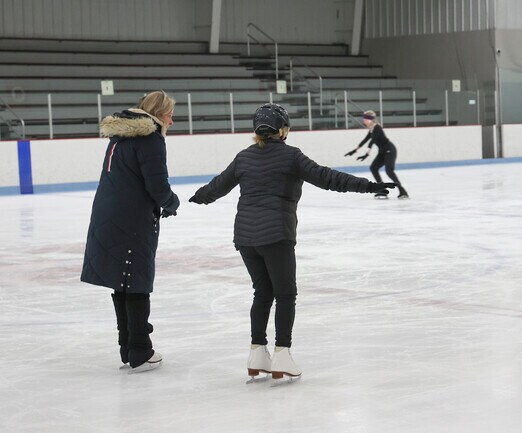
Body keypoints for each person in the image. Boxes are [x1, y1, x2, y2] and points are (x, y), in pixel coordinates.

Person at [188, 103, 395, 383]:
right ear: (283, 129)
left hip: (246, 238)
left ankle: (257, 353)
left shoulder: (243, 157)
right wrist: (367, 185)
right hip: (276, 235)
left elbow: (217, 187)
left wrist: (196, 197)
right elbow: (327, 178)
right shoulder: (291, 157)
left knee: (262, 292)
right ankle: (282, 355)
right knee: (285, 294)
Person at [81, 90, 179, 373]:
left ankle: (127, 347)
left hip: (107, 215)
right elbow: (157, 185)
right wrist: (172, 203)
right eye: (170, 115)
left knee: (122, 280)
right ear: (158, 115)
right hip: (132, 219)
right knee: (135, 280)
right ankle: (140, 350)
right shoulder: (150, 140)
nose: (171, 122)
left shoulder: (119, 138)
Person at [344, 110, 409, 199]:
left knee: (389, 171)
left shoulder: (377, 127)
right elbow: (364, 141)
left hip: (389, 150)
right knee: (373, 168)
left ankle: (402, 191)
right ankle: (382, 190)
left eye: (366, 119)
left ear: (371, 120)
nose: (364, 120)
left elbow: (372, 141)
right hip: (382, 152)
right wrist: (354, 151)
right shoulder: (371, 129)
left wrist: (367, 153)